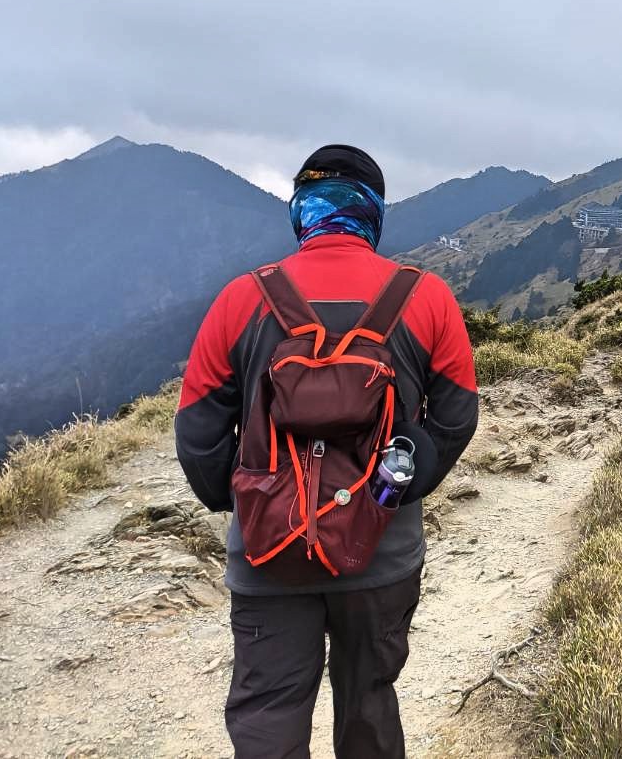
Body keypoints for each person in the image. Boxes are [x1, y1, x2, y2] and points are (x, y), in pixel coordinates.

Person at [175, 145, 478, 759]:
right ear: (373, 212)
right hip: (381, 549)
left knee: (268, 714)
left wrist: (232, 498)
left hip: (267, 551)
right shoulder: (428, 298)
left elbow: (198, 429)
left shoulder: (241, 298)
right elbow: (457, 416)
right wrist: (402, 481)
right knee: (369, 701)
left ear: (301, 211)